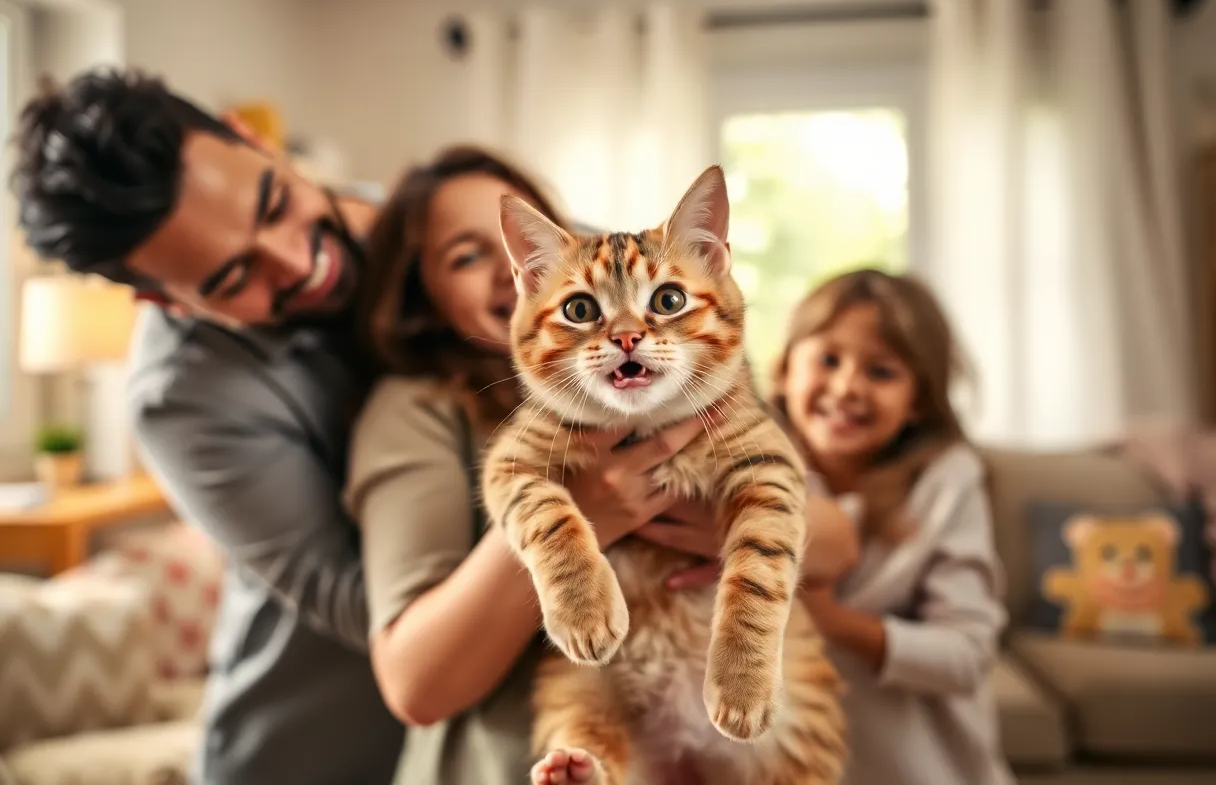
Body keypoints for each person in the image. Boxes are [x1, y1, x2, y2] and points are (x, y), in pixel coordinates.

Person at [343, 145, 861, 784]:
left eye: (663, 303)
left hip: (753, 721)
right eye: (467, 255)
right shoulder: (418, 409)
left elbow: (833, 536)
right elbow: (415, 684)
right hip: (539, 739)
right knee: (581, 709)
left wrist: (736, 539)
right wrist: (577, 531)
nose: (626, 336)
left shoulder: (714, 391)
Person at [10, 67, 403, 784]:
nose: (298, 261)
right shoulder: (181, 400)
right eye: (231, 277)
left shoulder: (428, 219)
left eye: (274, 202)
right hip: (312, 756)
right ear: (169, 303)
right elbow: (365, 607)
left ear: (253, 141)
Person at [771, 268, 1017, 785]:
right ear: (784, 369)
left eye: (881, 372)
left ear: (918, 401)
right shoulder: (743, 461)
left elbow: (967, 655)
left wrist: (834, 622)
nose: (846, 387)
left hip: (919, 768)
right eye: (828, 359)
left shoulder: (946, 480)